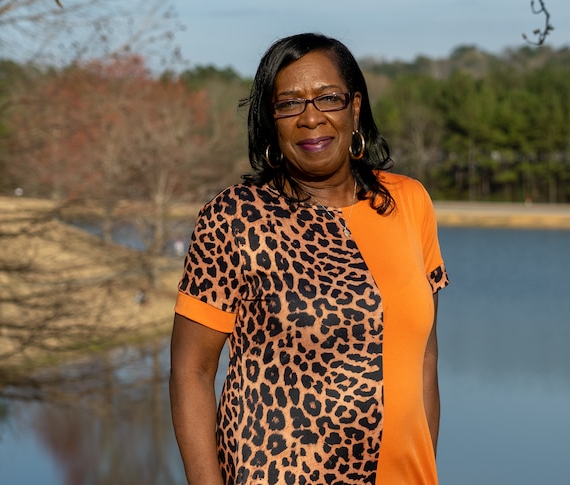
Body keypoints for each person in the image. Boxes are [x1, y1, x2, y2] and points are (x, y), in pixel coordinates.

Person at [169, 32, 449, 485]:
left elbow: (425, 359)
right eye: (289, 104)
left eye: (327, 98)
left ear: (355, 108)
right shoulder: (235, 217)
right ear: (271, 120)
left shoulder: (409, 202)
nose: (310, 117)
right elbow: (191, 372)